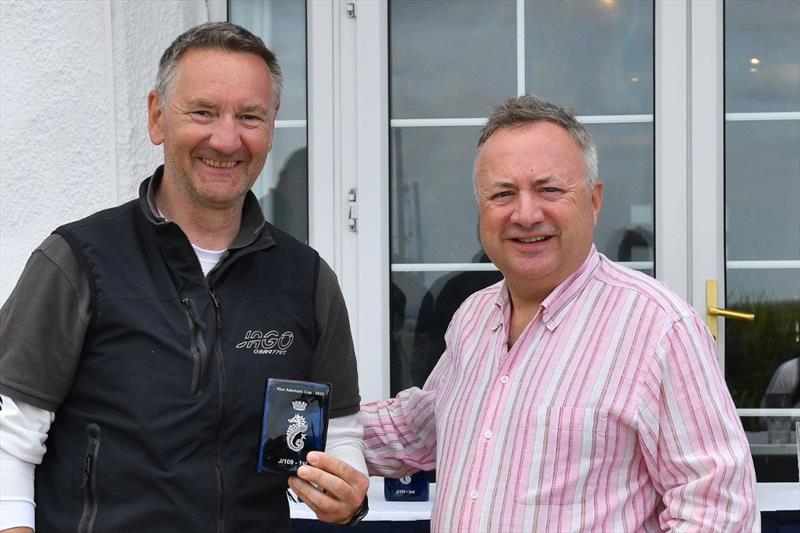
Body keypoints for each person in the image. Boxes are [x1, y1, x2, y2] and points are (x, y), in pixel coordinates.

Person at [0, 22, 367, 532]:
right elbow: (9, 438)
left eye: (250, 116)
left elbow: (342, 434)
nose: (227, 138)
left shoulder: (305, 279)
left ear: (272, 126)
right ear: (157, 117)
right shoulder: (77, 262)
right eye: (203, 112)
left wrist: (348, 496)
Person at [361, 95, 758, 531]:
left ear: (594, 200)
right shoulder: (473, 317)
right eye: (502, 194)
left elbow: (718, 510)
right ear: (481, 210)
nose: (526, 214)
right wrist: (296, 422)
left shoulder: (659, 328)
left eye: (549, 190)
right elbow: (419, 428)